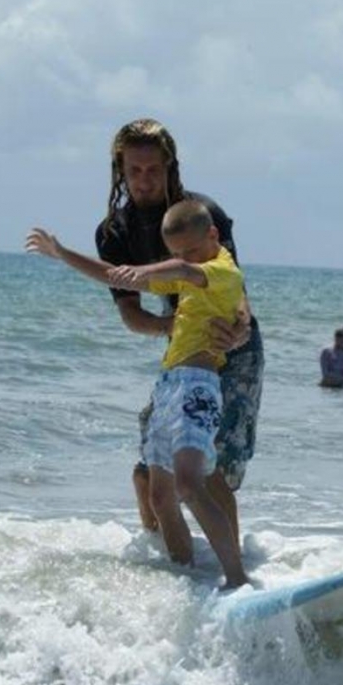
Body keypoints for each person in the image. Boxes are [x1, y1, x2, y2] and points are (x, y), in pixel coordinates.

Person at [25, 199, 249, 588]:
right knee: (161, 498)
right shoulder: (190, 266)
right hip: (168, 387)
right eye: (179, 252)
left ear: (213, 235)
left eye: (192, 250)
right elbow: (118, 276)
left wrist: (146, 269)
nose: (186, 259)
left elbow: (180, 269)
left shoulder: (222, 271)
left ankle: (237, 579)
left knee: (189, 485)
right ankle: (187, 576)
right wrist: (63, 253)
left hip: (198, 385)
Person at [94, 119, 263, 545]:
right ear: (120, 170)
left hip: (234, 345)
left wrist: (239, 328)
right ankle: (164, 556)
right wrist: (174, 325)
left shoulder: (203, 214)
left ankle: (234, 575)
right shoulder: (114, 232)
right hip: (185, 350)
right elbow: (132, 316)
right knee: (150, 468)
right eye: (134, 171)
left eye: (153, 169)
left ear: (170, 166)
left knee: (215, 468)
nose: (144, 180)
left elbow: (234, 287)